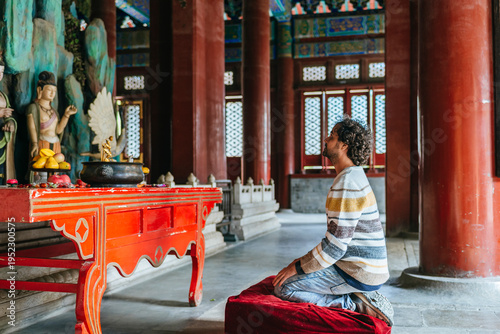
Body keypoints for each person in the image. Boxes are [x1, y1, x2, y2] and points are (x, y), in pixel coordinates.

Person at [273, 116, 394, 326]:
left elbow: (335, 247)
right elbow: (336, 242)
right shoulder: (353, 175)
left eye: (332, 136)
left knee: (284, 287)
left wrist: (299, 268)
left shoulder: (347, 182)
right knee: (295, 270)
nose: (326, 139)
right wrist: (301, 262)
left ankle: (353, 304)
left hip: (358, 272)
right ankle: (356, 297)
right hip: (363, 268)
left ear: (344, 145)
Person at [26, 71, 77, 159]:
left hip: (55, 145)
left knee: (55, 170)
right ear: (40, 90)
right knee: (41, 171)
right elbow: (32, 127)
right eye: (49, 90)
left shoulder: (54, 112)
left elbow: (58, 130)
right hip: (41, 144)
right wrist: (34, 144)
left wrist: (66, 115)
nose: (52, 93)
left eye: (54, 91)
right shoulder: (33, 108)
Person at [0, 59, 17, 184]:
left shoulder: (3, 96)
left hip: (1, 140)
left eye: (1, 72)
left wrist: (10, 123)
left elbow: (9, 117)